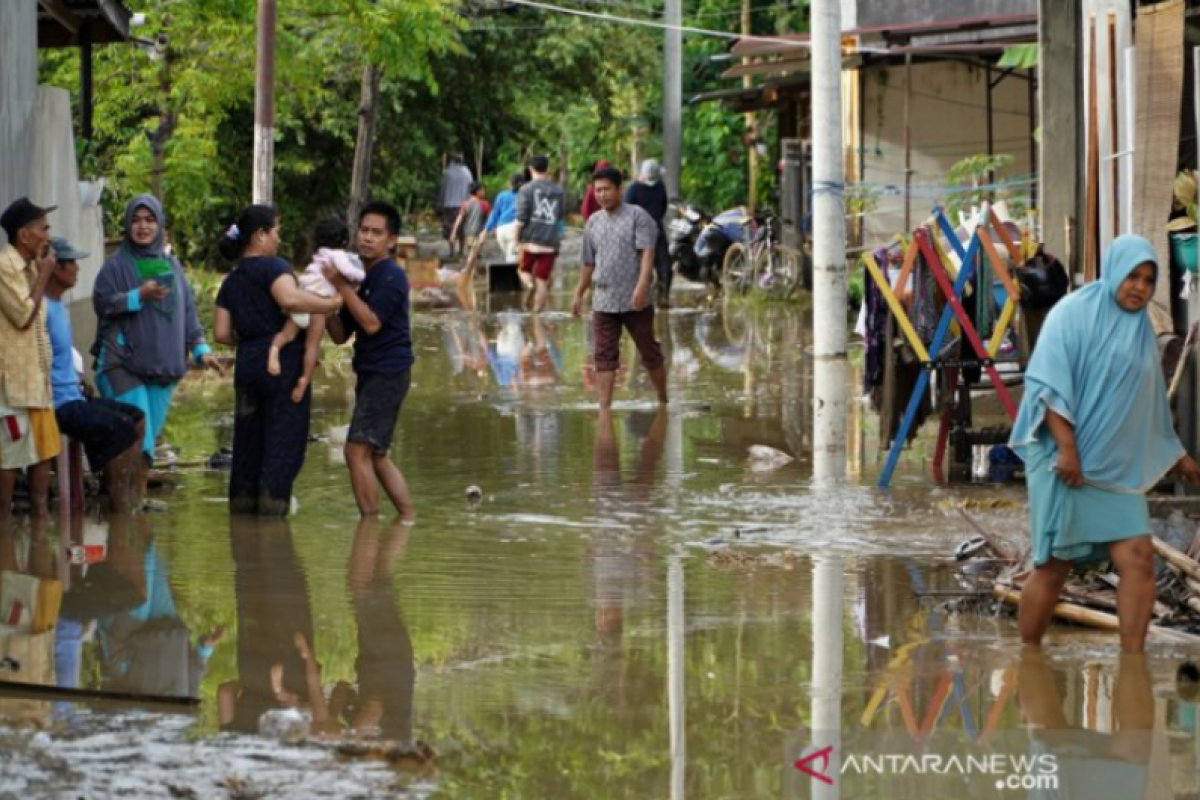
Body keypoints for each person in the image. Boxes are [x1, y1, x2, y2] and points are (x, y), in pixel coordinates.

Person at [1009, 234, 1200, 653]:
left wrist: (1177, 454)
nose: (1140, 288)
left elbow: (1145, 401)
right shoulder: (1072, 314)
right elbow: (1047, 383)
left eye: (1149, 281)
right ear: (1113, 271)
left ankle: (1132, 661)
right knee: (1053, 567)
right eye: (1132, 276)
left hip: (1112, 470)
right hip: (1064, 460)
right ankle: (1029, 659)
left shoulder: (1139, 329)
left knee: (1137, 557)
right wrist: (1067, 448)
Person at [92, 195, 222, 501]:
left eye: (150, 220)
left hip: (163, 368)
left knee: (144, 452)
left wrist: (202, 351)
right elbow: (102, 303)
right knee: (138, 444)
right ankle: (127, 513)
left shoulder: (171, 266)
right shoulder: (115, 268)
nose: (142, 226)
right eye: (136, 220)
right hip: (121, 363)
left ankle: (128, 509)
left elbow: (187, 312)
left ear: (160, 224)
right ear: (126, 225)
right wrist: (138, 295)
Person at [214, 205, 342, 516]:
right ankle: (272, 518)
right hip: (281, 366)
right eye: (276, 232)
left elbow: (221, 333)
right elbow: (289, 299)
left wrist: (251, 340)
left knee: (248, 443)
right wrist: (331, 303)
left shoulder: (231, 281)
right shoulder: (274, 267)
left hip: (247, 364)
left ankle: (243, 515)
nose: (279, 239)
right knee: (282, 443)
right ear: (260, 235)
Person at [324, 201, 416, 519]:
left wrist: (340, 286)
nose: (367, 238)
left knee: (355, 451)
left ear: (391, 240)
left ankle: (369, 526)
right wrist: (321, 302)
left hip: (388, 371)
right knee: (376, 454)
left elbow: (372, 323)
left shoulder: (390, 276)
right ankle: (406, 518)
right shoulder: (359, 278)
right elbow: (339, 335)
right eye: (364, 231)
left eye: (377, 233)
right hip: (371, 371)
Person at [45, 235, 146, 513]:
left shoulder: (59, 307)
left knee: (137, 418)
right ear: (56, 268)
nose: (77, 270)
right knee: (120, 428)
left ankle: (127, 494)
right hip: (60, 404)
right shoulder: (42, 309)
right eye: (73, 264)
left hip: (74, 395)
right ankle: (117, 506)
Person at [572, 166, 668, 409]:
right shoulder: (593, 222)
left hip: (636, 300)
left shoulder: (638, 216)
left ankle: (663, 397)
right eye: (598, 190)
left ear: (619, 189)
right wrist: (578, 293)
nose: (602, 195)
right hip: (603, 299)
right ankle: (604, 408)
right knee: (603, 355)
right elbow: (588, 263)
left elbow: (647, 253)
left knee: (648, 351)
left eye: (606, 189)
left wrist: (642, 286)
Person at [0, 198, 61, 519]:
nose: (48, 235)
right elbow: (24, 315)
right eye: (43, 229)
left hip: (37, 380)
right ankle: (5, 531)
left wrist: (39, 272)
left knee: (44, 452)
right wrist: (45, 273)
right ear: (24, 236)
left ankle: (40, 530)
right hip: (11, 384)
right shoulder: (4, 266)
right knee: (9, 458)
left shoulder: (30, 267)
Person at [267, 216, 364, 402]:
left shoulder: (318, 256)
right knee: (311, 347)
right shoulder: (338, 256)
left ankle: (274, 351)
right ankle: (304, 380)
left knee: (286, 335)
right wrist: (363, 276)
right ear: (343, 241)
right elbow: (350, 273)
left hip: (303, 300)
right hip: (318, 307)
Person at [515, 155, 566, 314]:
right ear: (547, 169)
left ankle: (529, 285)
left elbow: (521, 219)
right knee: (542, 280)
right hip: (550, 243)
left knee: (523, 271)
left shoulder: (526, 189)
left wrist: (516, 240)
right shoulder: (559, 190)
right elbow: (560, 216)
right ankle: (537, 314)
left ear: (530, 169)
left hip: (530, 241)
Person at [624, 159, 671, 307]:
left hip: (657, 230)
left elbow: (663, 206)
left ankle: (663, 297)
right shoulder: (633, 190)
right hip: (640, 234)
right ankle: (643, 297)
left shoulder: (659, 187)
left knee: (665, 267)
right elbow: (627, 213)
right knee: (644, 269)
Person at [449, 183, 489, 309]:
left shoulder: (466, 204)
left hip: (468, 235)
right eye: (482, 190)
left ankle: (471, 280)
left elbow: (459, 219)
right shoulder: (484, 205)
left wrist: (454, 233)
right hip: (479, 234)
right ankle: (470, 282)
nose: (484, 192)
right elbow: (489, 220)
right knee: (473, 257)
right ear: (477, 191)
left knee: (472, 256)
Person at [438, 156, 473, 259]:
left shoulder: (447, 172)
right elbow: (471, 188)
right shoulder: (467, 172)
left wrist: (440, 202)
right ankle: (461, 250)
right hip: (463, 204)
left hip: (449, 205)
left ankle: (451, 251)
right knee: (461, 229)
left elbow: (443, 189)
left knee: (450, 227)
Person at [486, 173, 526, 263]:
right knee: (513, 260)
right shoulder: (524, 196)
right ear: (523, 184)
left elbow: (495, 213)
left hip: (501, 230)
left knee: (510, 256)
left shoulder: (502, 195)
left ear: (509, 183)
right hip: (515, 229)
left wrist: (486, 229)